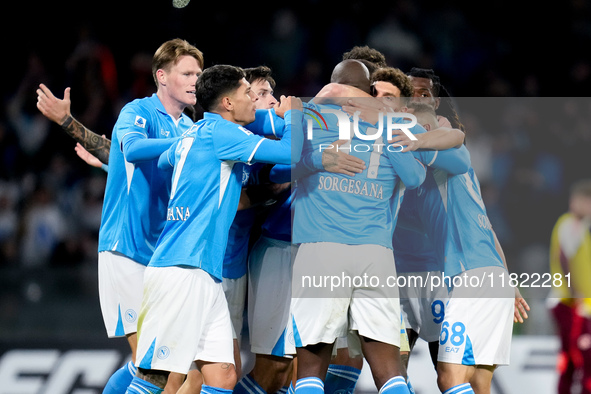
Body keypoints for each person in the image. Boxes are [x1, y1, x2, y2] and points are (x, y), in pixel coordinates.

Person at [289, 59, 471, 394]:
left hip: (321, 248)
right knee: (389, 370)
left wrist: (304, 107)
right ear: (370, 90)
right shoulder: (395, 124)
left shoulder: (315, 116)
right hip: (377, 254)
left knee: (311, 369)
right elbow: (421, 174)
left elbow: (286, 161)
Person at [36, 38, 205, 394]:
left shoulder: (189, 128)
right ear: (161, 76)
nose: (196, 79)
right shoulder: (139, 111)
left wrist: (106, 163)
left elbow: (124, 156)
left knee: (175, 369)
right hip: (125, 249)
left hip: (162, 255)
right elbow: (133, 148)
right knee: (159, 370)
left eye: (199, 73)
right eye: (187, 72)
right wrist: (67, 120)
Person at [126, 64, 303, 394]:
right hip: (181, 270)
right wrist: (291, 116)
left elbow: (165, 162)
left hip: (205, 273)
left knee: (222, 377)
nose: (254, 99)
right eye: (247, 93)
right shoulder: (223, 134)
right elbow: (290, 153)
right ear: (228, 104)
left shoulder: (193, 135)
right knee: (157, 378)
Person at [548, 179, 591, 394]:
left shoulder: (579, 227)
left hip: (575, 302)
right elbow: (563, 257)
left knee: (574, 357)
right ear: (578, 201)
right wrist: (575, 293)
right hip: (570, 302)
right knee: (580, 356)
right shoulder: (570, 224)